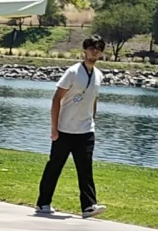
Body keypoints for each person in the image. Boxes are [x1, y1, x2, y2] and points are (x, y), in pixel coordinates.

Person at [37, 34, 107, 219]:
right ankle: (43, 202)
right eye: (92, 48)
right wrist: (54, 128)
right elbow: (56, 99)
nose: (95, 51)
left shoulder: (99, 75)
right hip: (65, 129)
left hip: (85, 130)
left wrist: (93, 120)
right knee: (55, 166)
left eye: (98, 48)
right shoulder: (73, 72)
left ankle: (88, 206)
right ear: (84, 50)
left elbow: (94, 99)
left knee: (85, 169)